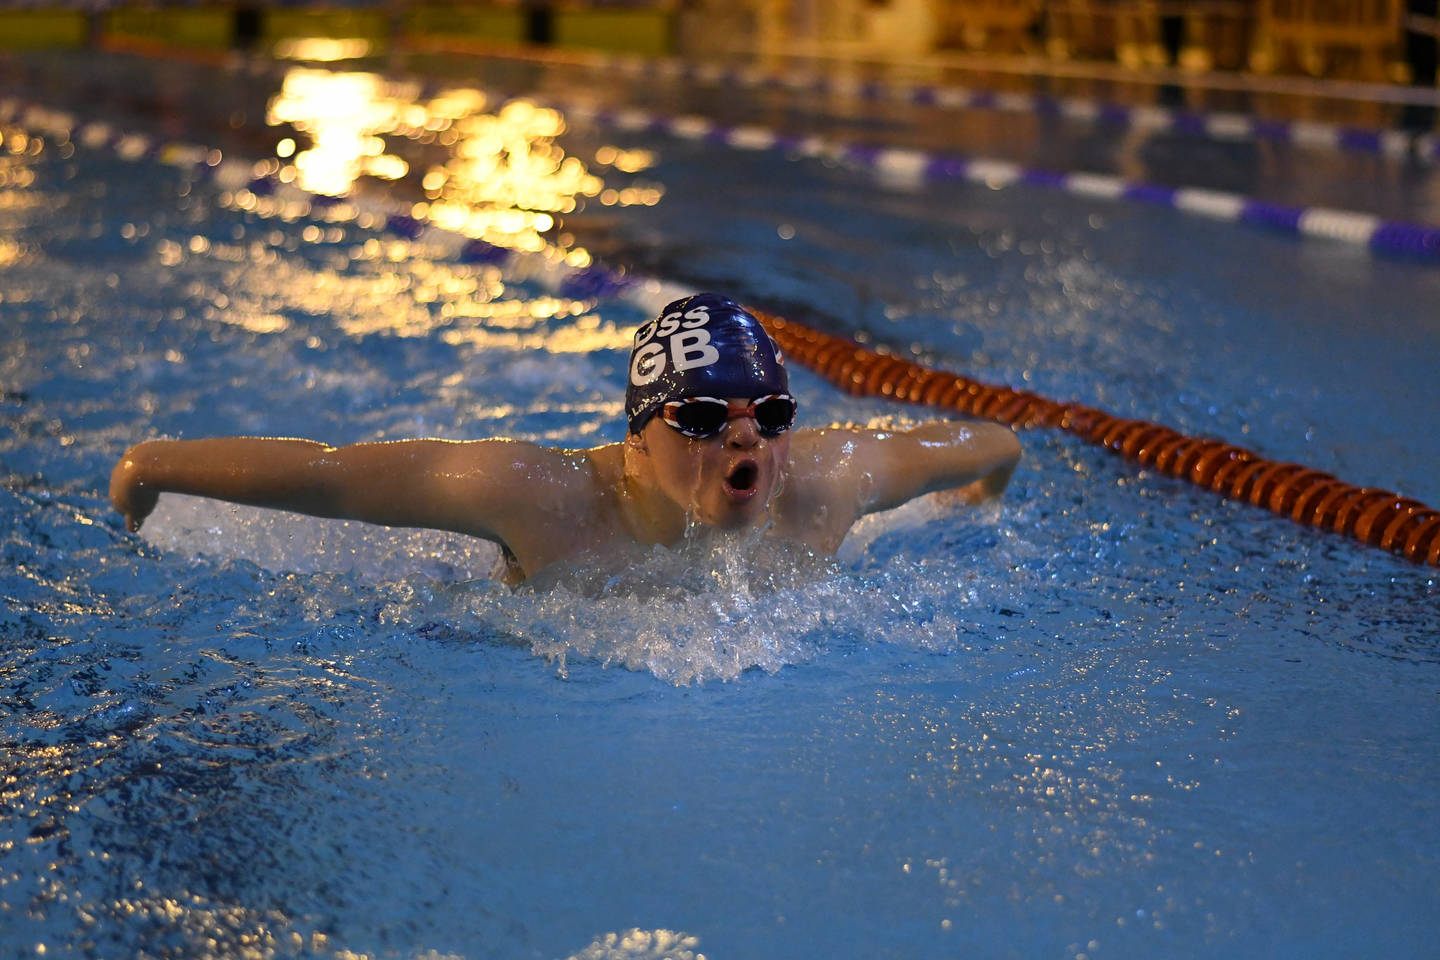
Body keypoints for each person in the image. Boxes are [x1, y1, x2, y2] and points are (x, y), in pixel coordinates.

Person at [110, 294, 1022, 584]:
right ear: (634, 441)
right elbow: (331, 476)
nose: (749, 441)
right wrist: (151, 468)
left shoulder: (827, 485)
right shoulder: (539, 500)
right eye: (703, 419)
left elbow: (996, 446)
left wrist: (970, 509)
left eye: (770, 416)